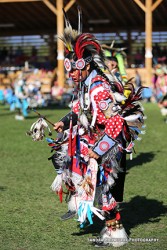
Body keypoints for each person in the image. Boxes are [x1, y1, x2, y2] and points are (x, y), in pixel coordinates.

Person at [27, 8, 146, 247]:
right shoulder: (83, 85)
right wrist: (65, 120)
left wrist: (99, 150)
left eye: (74, 68)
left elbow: (116, 121)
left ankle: (115, 233)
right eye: (69, 69)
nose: (70, 73)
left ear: (87, 65)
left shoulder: (98, 90)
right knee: (81, 178)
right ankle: (100, 220)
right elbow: (79, 110)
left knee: (105, 191)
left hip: (106, 145)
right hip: (90, 141)